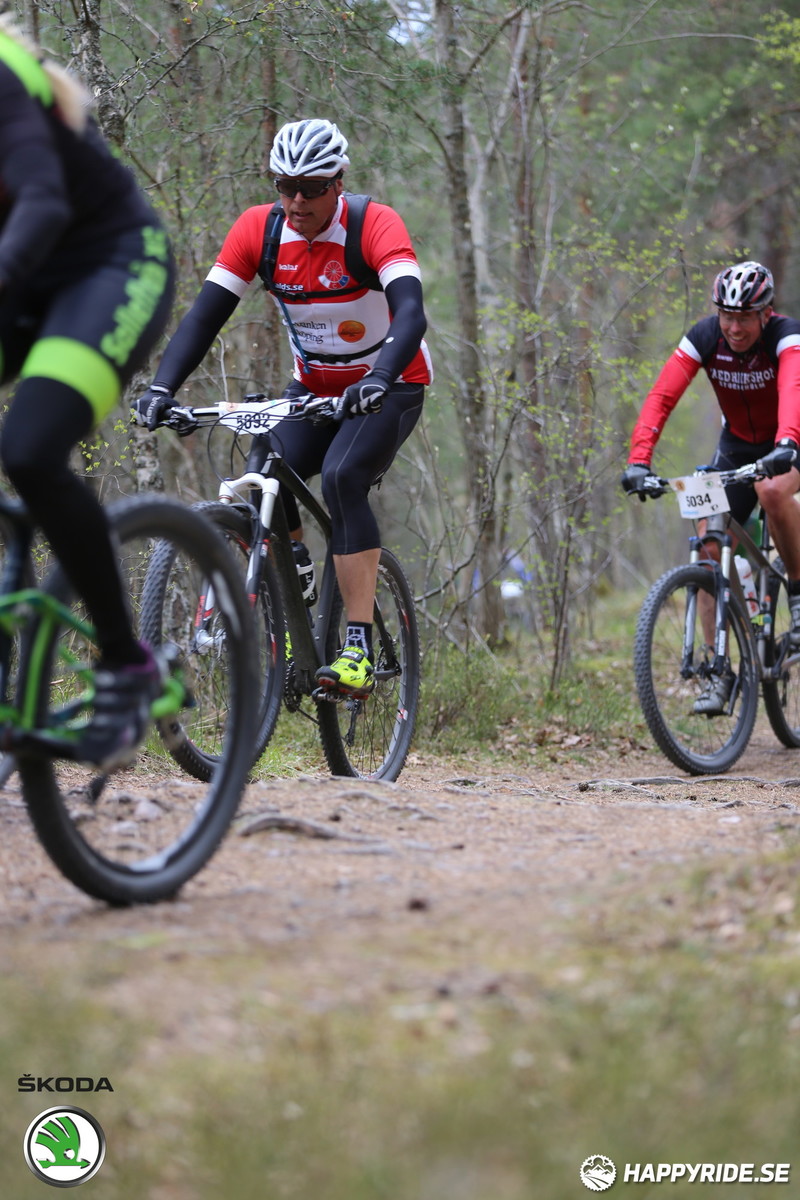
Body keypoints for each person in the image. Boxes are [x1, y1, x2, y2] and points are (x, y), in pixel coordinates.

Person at [134, 117, 432, 697]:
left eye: (313, 187)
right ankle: (291, 557)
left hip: (389, 383)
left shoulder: (373, 225)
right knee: (265, 453)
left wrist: (376, 377)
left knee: (344, 477)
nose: (297, 199)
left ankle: (357, 646)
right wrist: (161, 389)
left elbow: (411, 313)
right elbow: (204, 318)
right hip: (316, 387)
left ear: (339, 181)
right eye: (284, 185)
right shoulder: (260, 231)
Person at [0, 17, 175, 767]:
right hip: (24, 285)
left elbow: (41, 202)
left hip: (110, 268)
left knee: (31, 451)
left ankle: (126, 664)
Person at [621, 260, 800, 715]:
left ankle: (798, 592)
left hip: (791, 438)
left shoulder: (786, 335)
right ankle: (719, 671)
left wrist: (787, 442)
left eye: (744, 317)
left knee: (773, 491)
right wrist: (639, 459)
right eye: (727, 316)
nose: (734, 327)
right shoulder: (705, 337)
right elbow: (662, 396)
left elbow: (794, 388)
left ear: (766, 313)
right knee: (707, 547)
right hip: (738, 447)